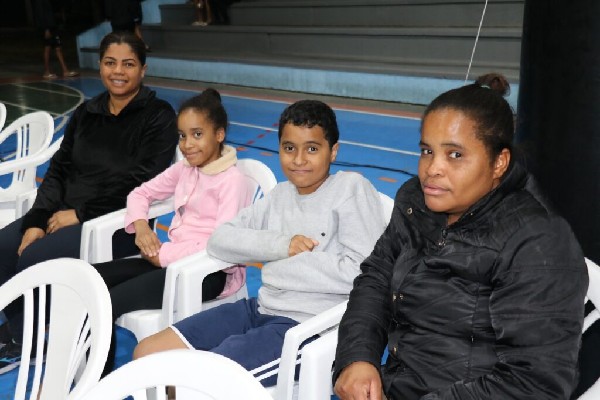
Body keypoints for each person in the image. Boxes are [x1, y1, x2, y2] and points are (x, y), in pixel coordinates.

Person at [332, 73, 588, 400]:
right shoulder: (415, 202)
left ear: (499, 163)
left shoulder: (537, 242)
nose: (432, 169)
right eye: (427, 151)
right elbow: (378, 276)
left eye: (455, 155)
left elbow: (535, 382)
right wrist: (357, 357)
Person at [132, 99, 387, 386]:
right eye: (289, 148)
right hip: (260, 308)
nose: (299, 159)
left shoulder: (351, 188)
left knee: (197, 383)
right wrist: (281, 246)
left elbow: (364, 273)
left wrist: (278, 267)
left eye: (312, 149)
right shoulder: (280, 195)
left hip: (306, 327)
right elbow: (219, 239)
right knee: (147, 355)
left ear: (333, 151)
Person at [0, 31, 178, 373]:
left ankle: (38, 334)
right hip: (61, 215)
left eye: (128, 64)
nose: (118, 71)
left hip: (117, 224)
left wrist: (82, 214)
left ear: (143, 69)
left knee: (33, 258)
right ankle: (21, 336)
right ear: (99, 66)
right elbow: (58, 170)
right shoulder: (87, 112)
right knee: (4, 247)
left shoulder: (158, 117)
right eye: (110, 62)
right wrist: (37, 220)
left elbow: (142, 182)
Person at [93, 88, 253, 374]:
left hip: (208, 273)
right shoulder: (185, 169)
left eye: (197, 134)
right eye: (182, 136)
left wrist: (164, 255)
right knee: (93, 280)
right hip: (170, 261)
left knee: (110, 301)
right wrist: (142, 227)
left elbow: (223, 245)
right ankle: (85, 372)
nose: (187, 145)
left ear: (219, 134)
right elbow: (140, 194)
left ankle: (96, 380)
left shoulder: (233, 182)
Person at [32, 0, 79, 79]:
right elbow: (40, 15)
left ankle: (65, 71)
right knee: (47, 48)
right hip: (46, 28)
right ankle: (47, 72)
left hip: (53, 26)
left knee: (58, 48)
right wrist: (46, 29)